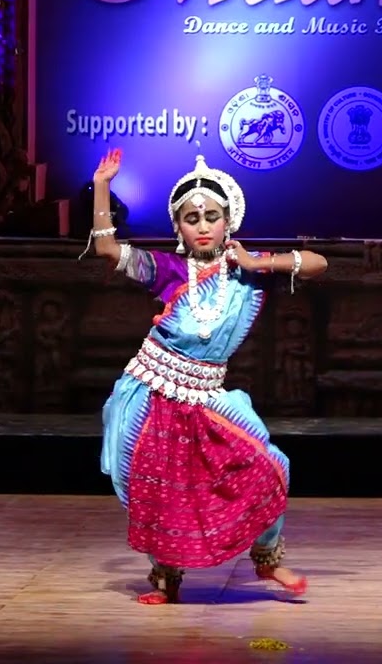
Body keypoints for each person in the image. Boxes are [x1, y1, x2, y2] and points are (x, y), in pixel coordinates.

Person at [83, 148, 327, 604]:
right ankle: (165, 579)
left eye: (211, 216)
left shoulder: (248, 270)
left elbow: (318, 264)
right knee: (156, 485)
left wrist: (259, 264)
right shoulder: (168, 270)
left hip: (207, 395)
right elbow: (107, 249)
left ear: (227, 222)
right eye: (190, 218)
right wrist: (102, 186)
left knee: (272, 464)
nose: (201, 225)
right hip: (154, 391)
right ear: (177, 226)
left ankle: (268, 560)